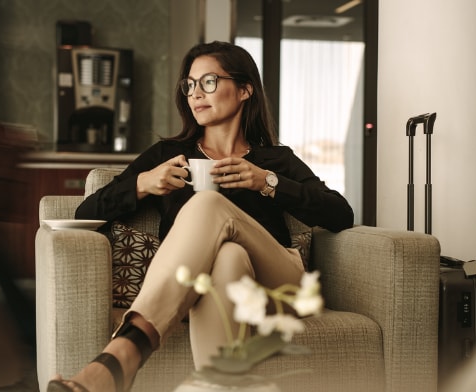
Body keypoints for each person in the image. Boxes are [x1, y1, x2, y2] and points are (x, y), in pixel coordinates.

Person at [47, 41, 354, 392]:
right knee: (228, 256)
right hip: (215, 283)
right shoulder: (168, 155)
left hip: (279, 283)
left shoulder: (274, 160)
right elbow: (87, 212)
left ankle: (126, 351)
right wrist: (144, 183)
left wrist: (266, 182)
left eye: (208, 82)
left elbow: (340, 214)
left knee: (207, 204)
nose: (196, 94)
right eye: (190, 85)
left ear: (244, 89)